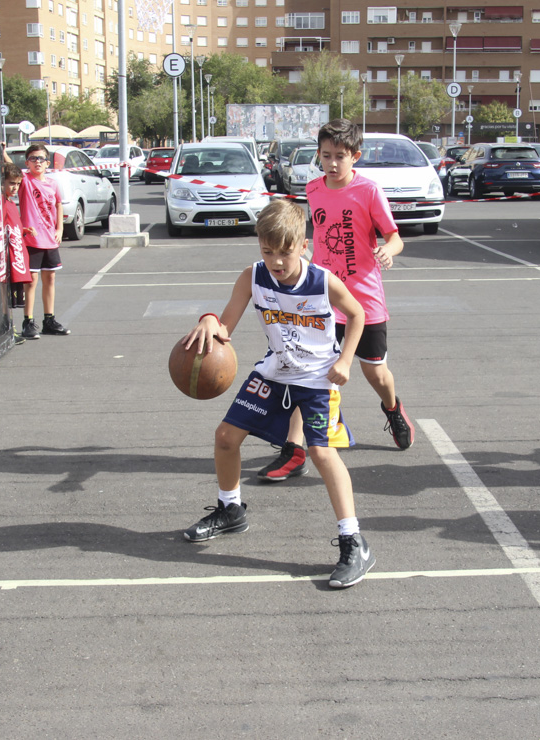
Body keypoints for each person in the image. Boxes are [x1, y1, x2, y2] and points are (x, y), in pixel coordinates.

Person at [180, 198, 376, 589]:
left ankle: (354, 541)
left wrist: (346, 360)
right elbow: (225, 325)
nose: (276, 262)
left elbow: (357, 315)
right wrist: (207, 319)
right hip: (276, 371)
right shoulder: (252, 277)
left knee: (321, 452)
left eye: (284, 253)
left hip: (318, 378)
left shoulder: (321, 281)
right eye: (267, 251)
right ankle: (231, 509)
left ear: (303, 245)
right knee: (225, 437)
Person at [258, 118, 412, 484]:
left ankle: (392, 408)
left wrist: (387, 251)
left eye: (340, 156)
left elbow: (395, 237)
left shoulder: (369, 191)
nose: (332, 163)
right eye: (326, 155)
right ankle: (294, 450)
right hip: (321, 297)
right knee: (306, 372)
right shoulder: (313, 189)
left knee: (374, 372)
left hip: (364, 299)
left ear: (355, 156)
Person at [17, 143, 69, 339]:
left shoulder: (52, 183)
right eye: (33, 158)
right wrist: (3, 152)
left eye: (41, 159)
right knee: (31, 281)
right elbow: (10, 169)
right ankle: (28, 321)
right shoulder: (25, 181)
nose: (37, 162)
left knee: (50, 278)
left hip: (50, 238)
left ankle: (49, 319)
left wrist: (60, 228)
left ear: (48, 163)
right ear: (27, 163)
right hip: (32, 239)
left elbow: (58, 204)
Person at [1, 162, 32, 341]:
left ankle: (8, 327)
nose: (15, 187)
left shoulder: (10, 202)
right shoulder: (0, 203)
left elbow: (13, 225)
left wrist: (24, 230)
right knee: (4, 295)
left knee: (9, 294)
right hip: (5, 256)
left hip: (15, 252)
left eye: (18, 184)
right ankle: (7, 328)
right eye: (12, 183)